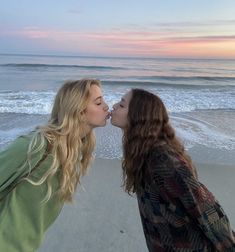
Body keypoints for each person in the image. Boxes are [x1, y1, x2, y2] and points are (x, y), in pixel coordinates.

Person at [111, 88, 235, 251]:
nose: (113, 106)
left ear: (138, 116)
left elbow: (205, 206)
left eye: (121, 104)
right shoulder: (142, 153)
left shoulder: (163, 160)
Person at [0, 79, 109, 252]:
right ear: (79, 111)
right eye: (98, 102)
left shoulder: (72, 150)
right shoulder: (36, 145)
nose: (106, 106)